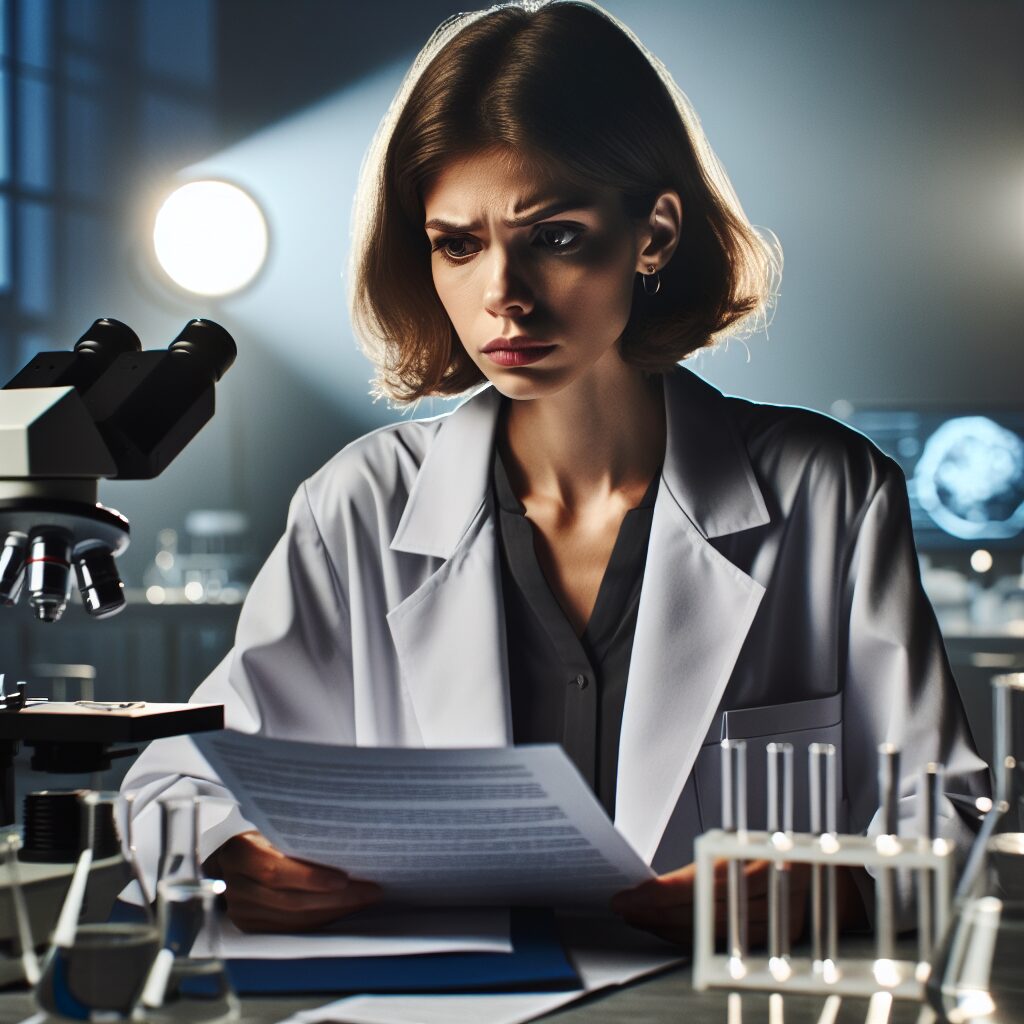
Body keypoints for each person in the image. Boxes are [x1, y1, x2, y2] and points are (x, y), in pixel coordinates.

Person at [122, 0, 988, 945]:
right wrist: (229, 851)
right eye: (459, 243)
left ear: (655, 234)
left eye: (556, 235)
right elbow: (177, 784)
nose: (504, 294)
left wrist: (844, 889)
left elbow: (951, 816)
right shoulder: (358, 506)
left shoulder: (830, 493)